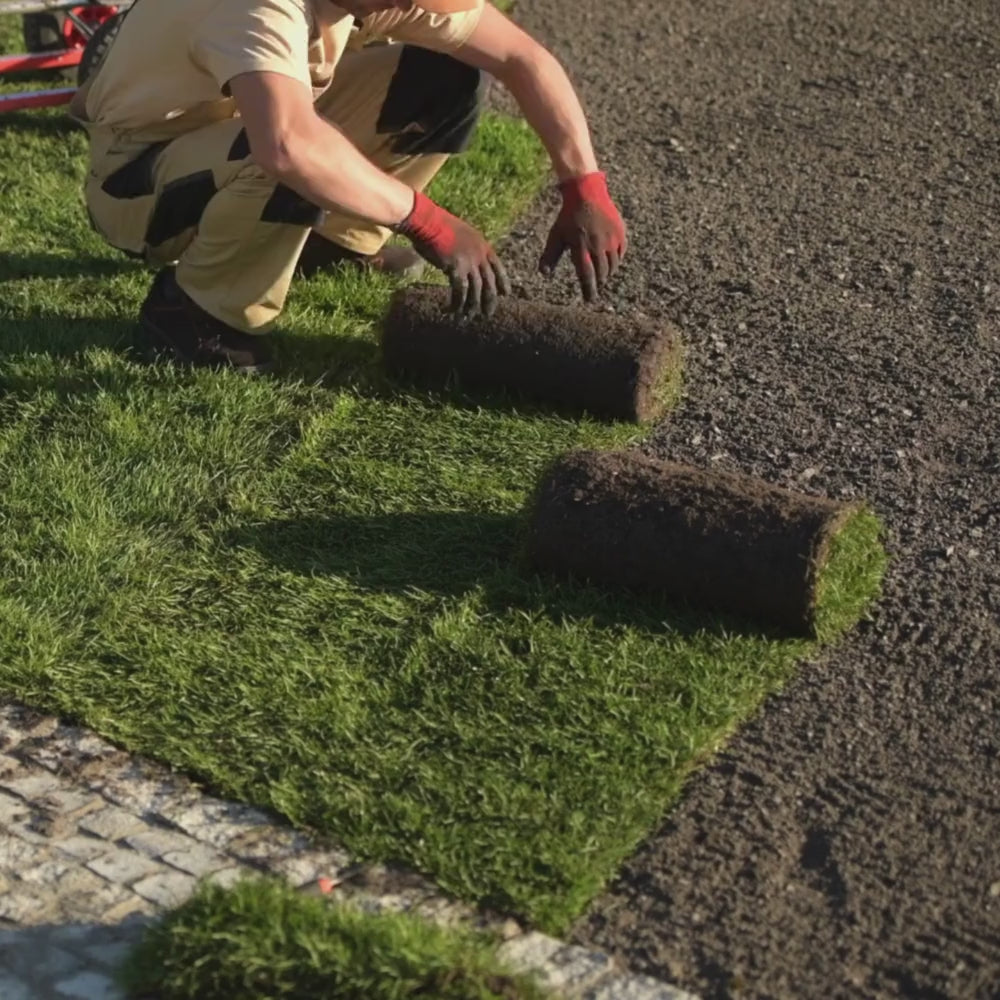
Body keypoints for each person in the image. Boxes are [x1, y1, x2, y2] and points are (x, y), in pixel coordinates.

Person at [70, 0, 628, 373]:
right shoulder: (258, 7)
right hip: (135, 182)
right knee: (296, 150)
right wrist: (430, 222)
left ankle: (333, 243)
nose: (404, 8)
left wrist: (585, 186)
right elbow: (288, 145)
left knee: (441, 77)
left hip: (232, 129)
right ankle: (193, 315)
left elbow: (521, 57)